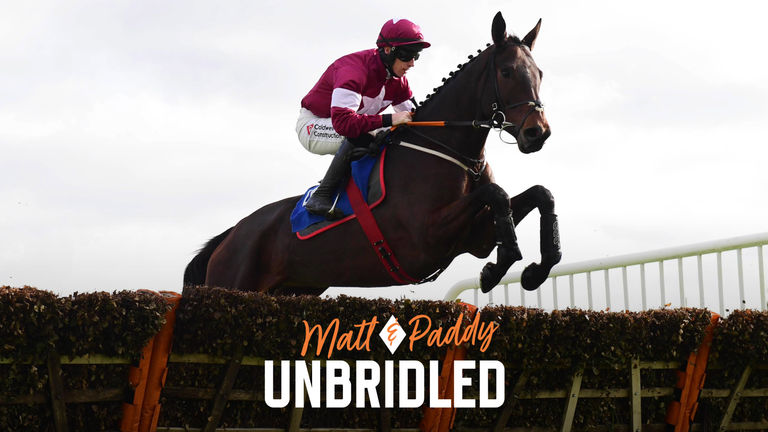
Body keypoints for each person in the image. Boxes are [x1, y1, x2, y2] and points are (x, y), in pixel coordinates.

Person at [296, 18, 430, 218]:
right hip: (314, 125)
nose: (411, 63)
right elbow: (344, 124)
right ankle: (321, 195)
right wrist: (389, 120)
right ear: (387, 50)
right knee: (366, 133)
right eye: (407, 55)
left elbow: (414, 119)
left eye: (416, 56)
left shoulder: (399, 81)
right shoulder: (353, 70)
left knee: (395, 135)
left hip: (350, 125)